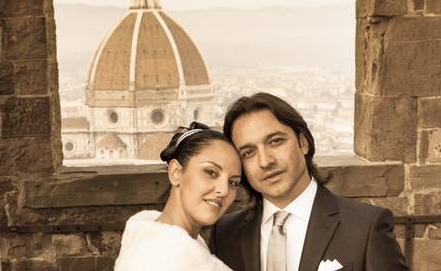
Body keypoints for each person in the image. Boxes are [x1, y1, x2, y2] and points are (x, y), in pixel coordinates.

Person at [210, 93, 409, 271]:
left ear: (303, 142)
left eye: (275, 141)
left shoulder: (365, 227)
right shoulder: (225, 233)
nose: (265, 161)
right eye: (248, 152)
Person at [115, 122, 243, 271]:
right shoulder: (176, 259)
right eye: (210, 172)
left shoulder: (147, 238)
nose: (224, 190)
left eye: (233, 182)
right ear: (176, 172)